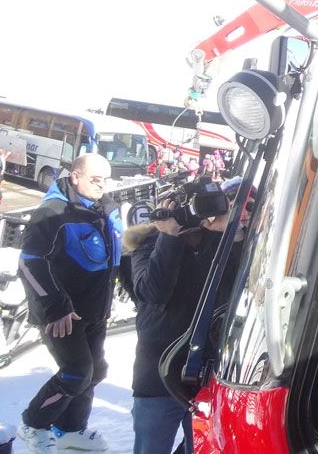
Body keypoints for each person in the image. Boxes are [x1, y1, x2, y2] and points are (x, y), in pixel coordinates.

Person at [124, 178, 244, 454]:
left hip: (205, 374)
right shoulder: (147, 243)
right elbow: (152, 292)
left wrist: (233, 236)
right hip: (157, 373)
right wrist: (169, 237)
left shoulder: (219, 241)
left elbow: (241, 286)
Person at [16, 154, 122, 453]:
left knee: (95, 371)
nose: (102, 186)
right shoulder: (53, 212)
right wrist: (56, 306)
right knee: (76, 372)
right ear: (75, 176)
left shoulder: (106, 207)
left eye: (106, 179)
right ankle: (33, 423)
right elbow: (30, 263)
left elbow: (116, 256)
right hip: (60, 313)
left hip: (94, 310)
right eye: (95, 179)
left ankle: (70, 429)